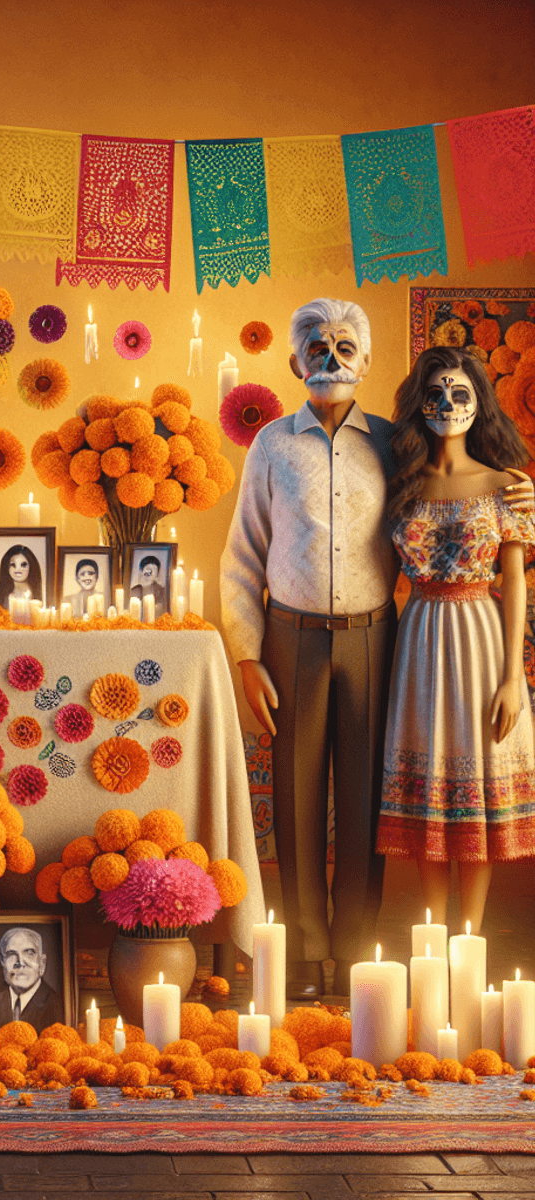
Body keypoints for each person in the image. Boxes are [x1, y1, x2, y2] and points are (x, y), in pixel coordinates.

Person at [221, 298, 533, 999]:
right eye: (317, 350)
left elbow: (461, 502)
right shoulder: (270, 445)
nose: (330, 362)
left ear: (365, 362)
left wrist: (515, 497)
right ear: (296, 361)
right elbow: (242, 555)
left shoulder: (395, 445)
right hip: (289, 637)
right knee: (298, 800)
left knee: (368, 798)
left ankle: (359, 950)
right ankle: (301, 956)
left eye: (345, 350)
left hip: (381, 638)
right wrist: (247, 653)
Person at [376, 348, 535, 934]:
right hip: (417, 639)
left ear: (480, 404)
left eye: (461, 394)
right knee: (429, 792)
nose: (447, 405)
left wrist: (512, 675)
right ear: (419, 404)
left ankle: (469, 936)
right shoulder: (399, 485)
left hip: (481, 635)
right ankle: (431, 933)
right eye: (436, 394)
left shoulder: (506, 485)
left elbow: (515, 580)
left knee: (480, 786)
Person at [0, 927, 61, 1037]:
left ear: (42, 962)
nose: (20, 962)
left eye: (29, 953)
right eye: (11, 954)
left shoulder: (56, 1004)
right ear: (3, 962)